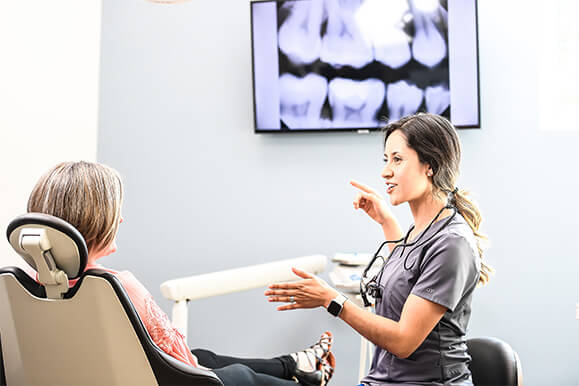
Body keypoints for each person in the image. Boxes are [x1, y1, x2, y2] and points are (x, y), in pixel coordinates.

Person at [26, 161, 335, 386]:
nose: (121, 219)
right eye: (115, 211)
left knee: (206, 356)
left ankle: (296, 363)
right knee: (235, 375)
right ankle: (305, 380)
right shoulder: (115, 287)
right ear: (96, 219)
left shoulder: (30, 289)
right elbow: (185, 365)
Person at [265, 113, 493, 385]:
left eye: (397, 159)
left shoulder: (451, 243)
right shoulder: (421, 232)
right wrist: (387, 222)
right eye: (386, 160)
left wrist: (333, 300)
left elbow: (404, 341)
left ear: (430, 165)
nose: (386, 171)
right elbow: (409, 275)